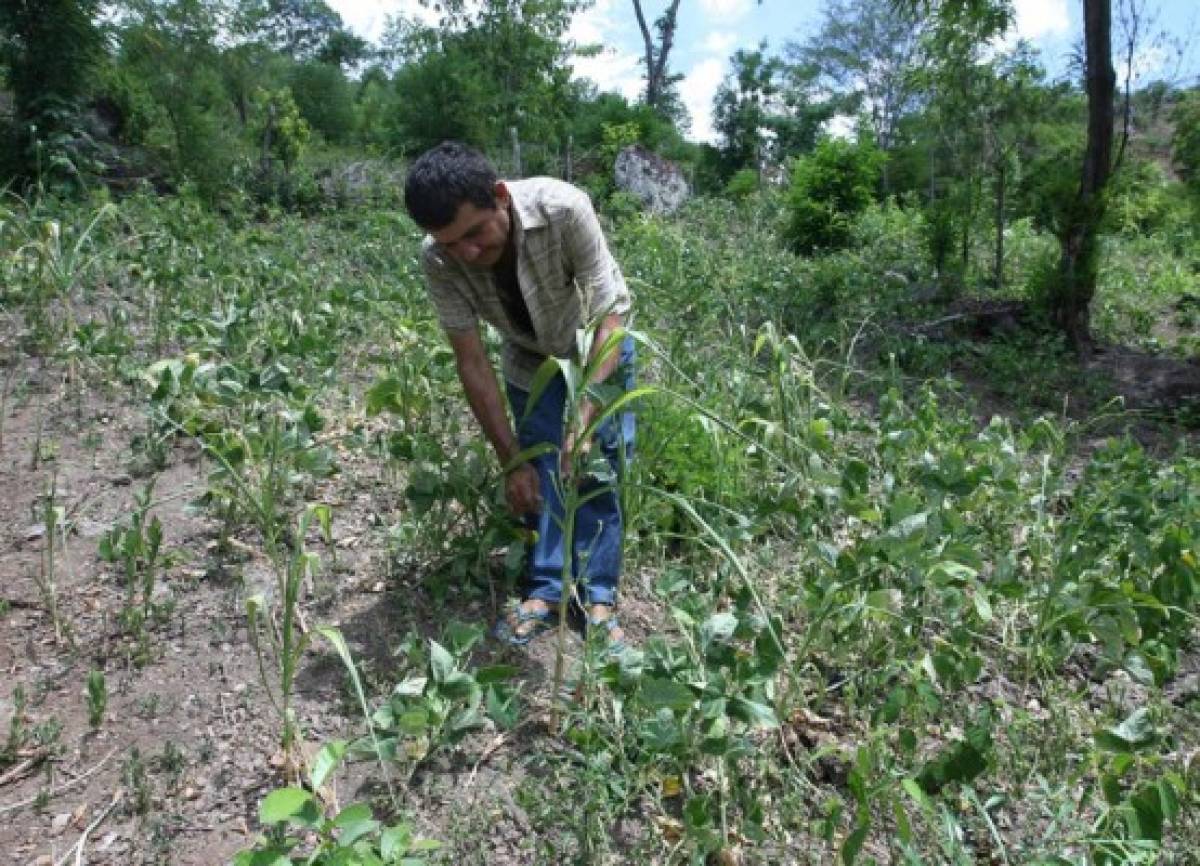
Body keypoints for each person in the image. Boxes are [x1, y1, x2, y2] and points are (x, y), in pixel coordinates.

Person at [403, 141, 635, 650]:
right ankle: (546, 589)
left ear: (500, 197)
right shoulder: (438, 259)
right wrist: (510, 460)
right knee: (539, 471)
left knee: (596, 467)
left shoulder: (563, 208)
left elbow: (609, 316)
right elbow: (471, 359)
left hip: (597, 347)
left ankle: (598, 596)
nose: (465, 253)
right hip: (529, 358)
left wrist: (586, 417)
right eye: (448, 243)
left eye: (474, 234)